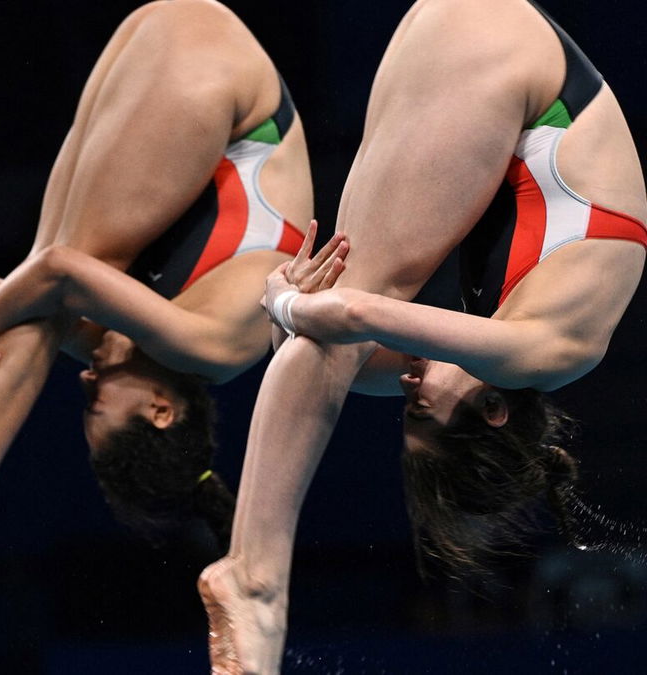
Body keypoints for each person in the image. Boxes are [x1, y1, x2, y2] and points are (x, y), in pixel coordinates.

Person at [197, 0, 647, 672]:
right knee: (352, 316)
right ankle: (256, 574)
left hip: (482, 46)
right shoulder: (550, 348)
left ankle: (253, 569)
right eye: (420, 407)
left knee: (338, 341)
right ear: (492, 410)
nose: (408, 384)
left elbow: (322, 345)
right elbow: (346, 319)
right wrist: (285, 301)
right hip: (508, 60)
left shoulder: (492, 354)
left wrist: (289, 310)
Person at [0, 0, 332, 597]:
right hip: (232, 89)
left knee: (51, 273)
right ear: (162, 410)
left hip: (158, 39)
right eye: (98, 405)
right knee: (69, 267)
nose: (86, 382)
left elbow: (3, 293)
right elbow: (59, 275)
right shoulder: (216, 346)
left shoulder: (132, 334)